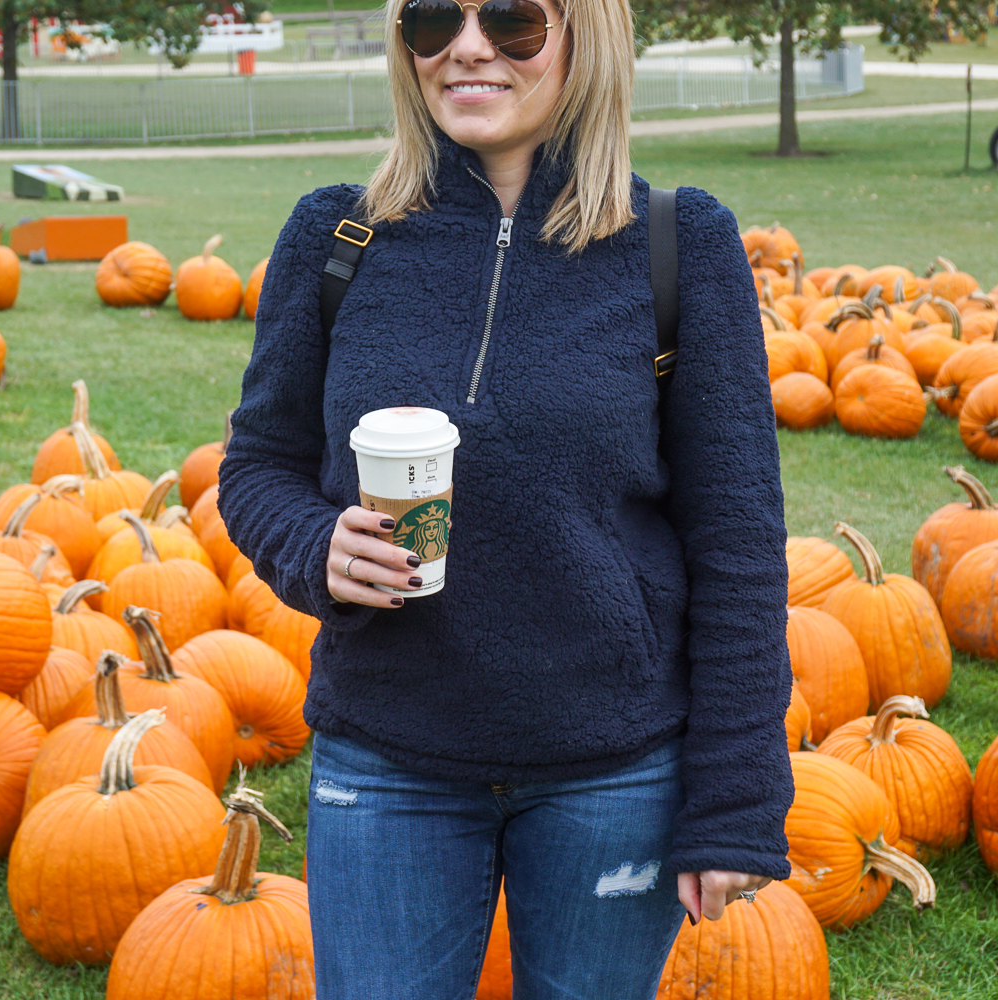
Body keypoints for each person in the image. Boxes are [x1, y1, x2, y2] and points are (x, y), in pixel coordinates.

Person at [216, 0, 794, 993]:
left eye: (514, 19)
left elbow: (739, 544)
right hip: (387, 758)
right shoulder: (338, 235)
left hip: (616, 772)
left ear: (586, 33)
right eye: (435, 18)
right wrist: (317, 548)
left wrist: (736, 798)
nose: (468, 47)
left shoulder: (677, 243)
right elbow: (257, 462)